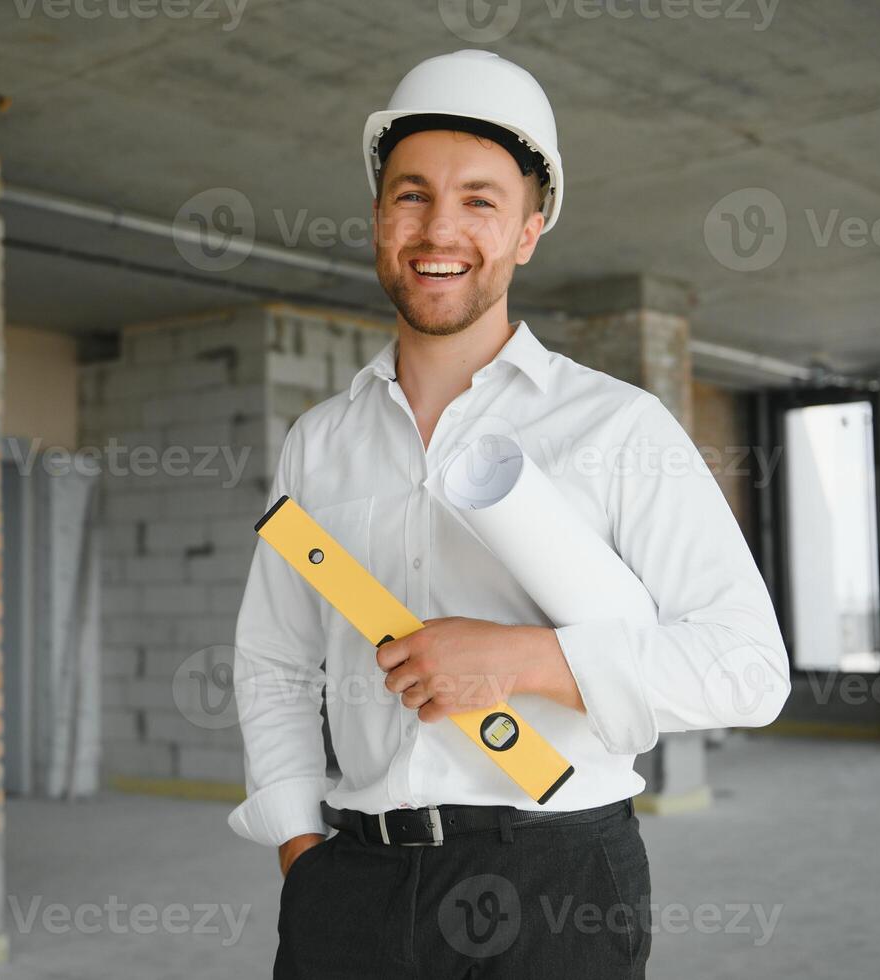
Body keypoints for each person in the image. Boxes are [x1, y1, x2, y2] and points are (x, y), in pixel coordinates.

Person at [227, 49, 791, 978]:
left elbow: (746, 669)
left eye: (480, 201)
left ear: (529, 231)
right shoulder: (318, 443)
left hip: (558, 885)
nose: (437, 228)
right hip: (355, 883)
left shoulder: (616, 425)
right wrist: (299, 847)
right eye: (410, 195)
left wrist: (518, 660)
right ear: (377, 216)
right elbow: (276, 658)